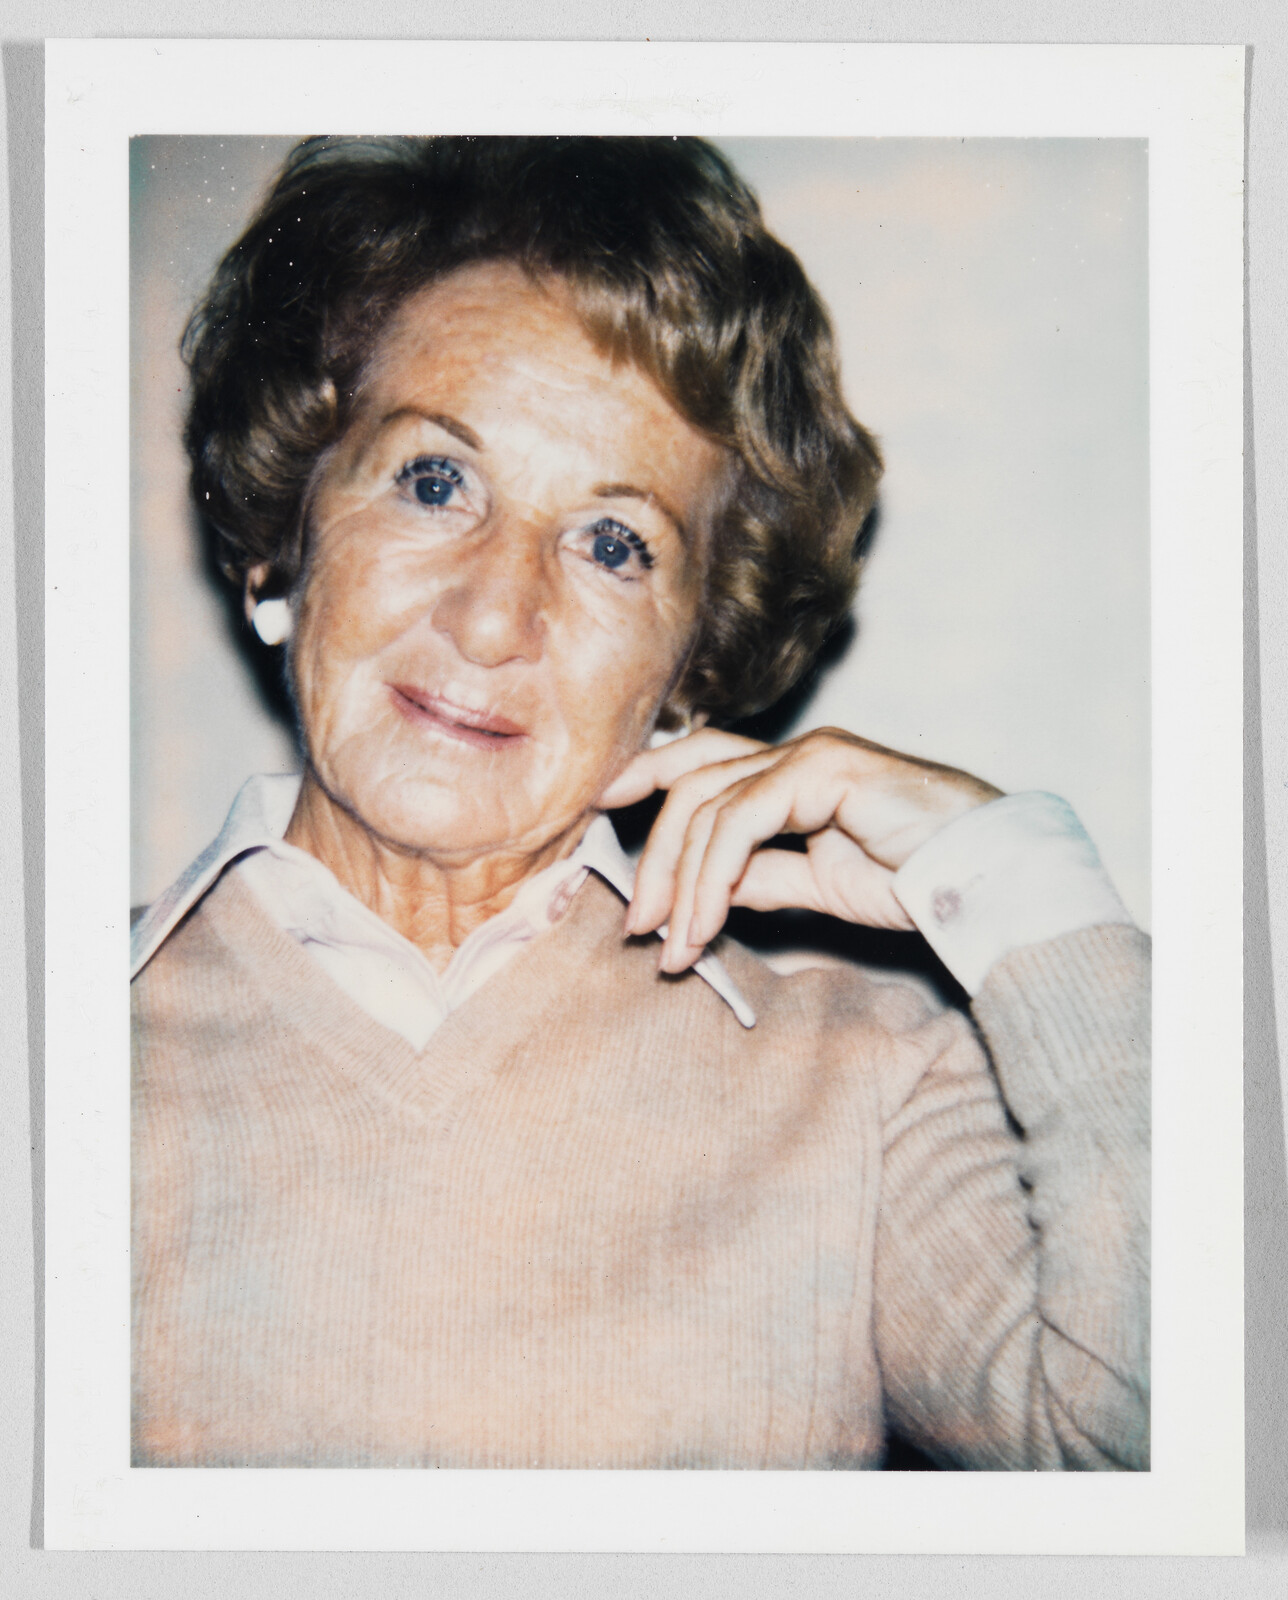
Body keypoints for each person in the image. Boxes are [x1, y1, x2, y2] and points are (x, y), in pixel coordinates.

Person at [130, 135, 1149, 1471]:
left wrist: (1013, 885)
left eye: (615, 545)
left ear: (687, 667)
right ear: (289, 531)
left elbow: (1153, 1453)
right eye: (436, 481)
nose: (497, 615)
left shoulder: (866, 1079)